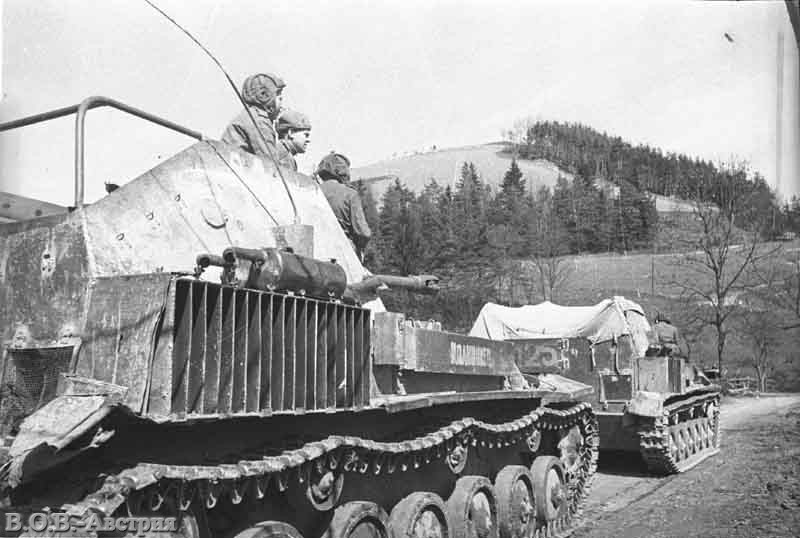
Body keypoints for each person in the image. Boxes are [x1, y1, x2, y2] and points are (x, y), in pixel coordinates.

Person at [317, 152, 372, 260]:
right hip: (343, 252)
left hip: (316, 250)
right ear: (341, 171)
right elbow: (363, 232)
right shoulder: (350, 194)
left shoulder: (312, 191)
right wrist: (360, 248)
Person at [221, 73, 285, 159]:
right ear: (264, 96)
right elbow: (270, 162)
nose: (282, 105)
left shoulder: (250, 115)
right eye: (279, 98)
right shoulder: (260, 121)